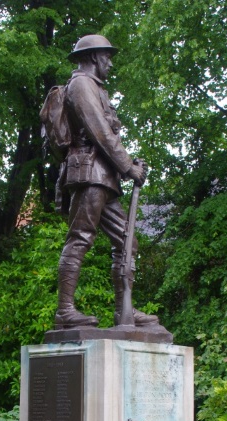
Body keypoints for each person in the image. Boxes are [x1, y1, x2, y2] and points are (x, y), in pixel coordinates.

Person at [54, 34, 159, 330]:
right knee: (81, 237)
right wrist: (127, 167)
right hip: (89, 174)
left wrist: (125, 167)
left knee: (127, 242)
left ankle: (123, 311)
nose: (110, 63)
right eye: (107, 57)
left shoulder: (95, 88)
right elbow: (100, 131)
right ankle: (64, 310)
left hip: (104, 177)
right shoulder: (81, 85)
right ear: (93, 57)